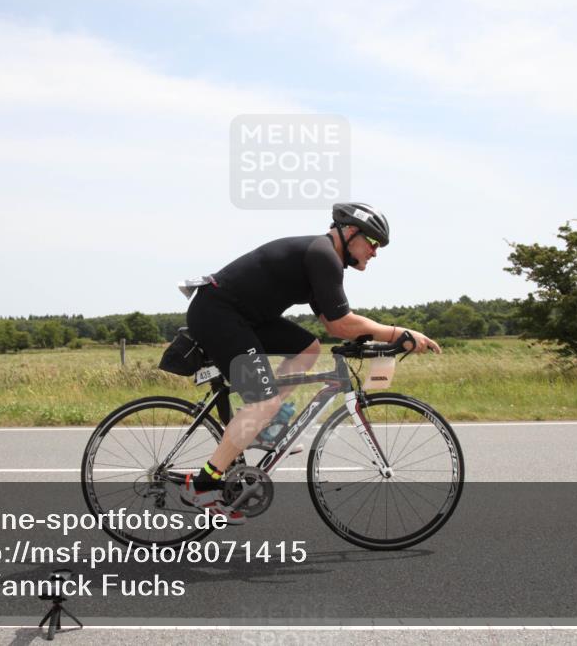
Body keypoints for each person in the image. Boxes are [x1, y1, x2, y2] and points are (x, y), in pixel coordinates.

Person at [179, 203, 442, 524]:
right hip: (219, 313)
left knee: (308, 348)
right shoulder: (323, 255)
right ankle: (204, 483)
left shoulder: (324, 258)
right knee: (263, 402)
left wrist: (374, 337)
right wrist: (396, 333)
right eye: (372, 242)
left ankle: (270, 426)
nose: (375, 252)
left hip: (243, 315)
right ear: (349, 232)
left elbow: (333, 326)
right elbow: (343, 322)